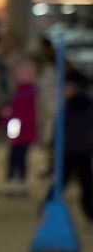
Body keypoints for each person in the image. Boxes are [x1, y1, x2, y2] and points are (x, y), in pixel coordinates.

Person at [45, 70, 93, 223]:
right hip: (82, 150)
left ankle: (47, 206)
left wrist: (53, 145)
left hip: (70, 150)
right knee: (86, 183)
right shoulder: (85, 104)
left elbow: (60, 129)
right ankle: (90, 210)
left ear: (74, 87)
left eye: (66, 87)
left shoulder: (70, 106)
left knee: (63, 181)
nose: (63, 90)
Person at [0, 61, 37, 197]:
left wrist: (6, 120)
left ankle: (13, 182)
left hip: (19, 131)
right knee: (20, 157)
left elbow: (17, 114)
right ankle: (19, 182)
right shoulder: (30, 92)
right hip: (25, 131)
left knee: (15, 157)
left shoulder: (23, 92)